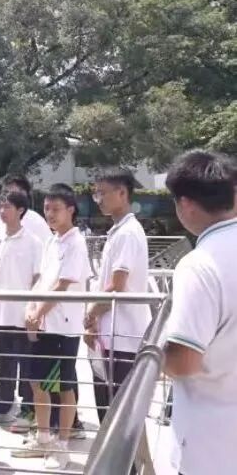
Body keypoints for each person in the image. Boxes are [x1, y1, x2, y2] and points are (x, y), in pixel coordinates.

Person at [161, 150, 237, 475]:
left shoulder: (200, 265)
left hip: (213, 447)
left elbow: (184, 362)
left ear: (186, 204)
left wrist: (153, 358)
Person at [12, 184, 88, 470]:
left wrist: (38, 313)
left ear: (71, 210)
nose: (50, 214)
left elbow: (62, 285)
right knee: (37, 382)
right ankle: (43, 437)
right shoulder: (52, 241)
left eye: (56, 209)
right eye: (46, 208)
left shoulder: (75, 243)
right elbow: (43, 280)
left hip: (62, 327)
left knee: (63, 386)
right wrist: (31, 309)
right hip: (43, 325)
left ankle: (62, 444)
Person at [84, 169, 149, 423]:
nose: (98, 199)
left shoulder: (127, 233)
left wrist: (91, 314)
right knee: (112, 413)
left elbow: (117, 284)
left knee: (117, 416)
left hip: (123, 337)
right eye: (96, 193)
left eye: (102, 193)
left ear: (122, 193)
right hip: (111, 337)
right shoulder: (118, 231)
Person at [0, 192, 42, 428]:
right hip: (0, 313)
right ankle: (3, 405)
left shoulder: (33, 241)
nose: (2, 211)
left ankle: (28, 408)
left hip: (23, 314)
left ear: (21, 210)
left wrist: (33, 308)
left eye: (8, 207)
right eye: (1, 206)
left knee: (27, 364)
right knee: (4, 363)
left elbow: (38, 276)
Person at [0, 175, 51, 244]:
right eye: (4, 192)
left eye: (10, 192)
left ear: (23, 194)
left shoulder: (36, 221)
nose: (6, 196)